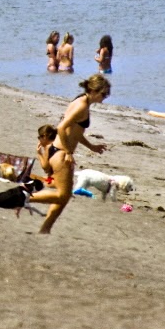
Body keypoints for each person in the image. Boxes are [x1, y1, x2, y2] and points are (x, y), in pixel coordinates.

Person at [29, 74, 111, 234]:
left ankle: (45, 229)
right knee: (62, 196)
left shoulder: (82, 101)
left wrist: (92, 147)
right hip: (61, 153)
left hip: (56, 151)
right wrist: (68, 152)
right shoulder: (81, 105)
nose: (105, 97)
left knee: (63, 196)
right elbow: (61, 127)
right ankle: (22, 198)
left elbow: (75, 132)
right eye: (104, 94)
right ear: (94, 90)